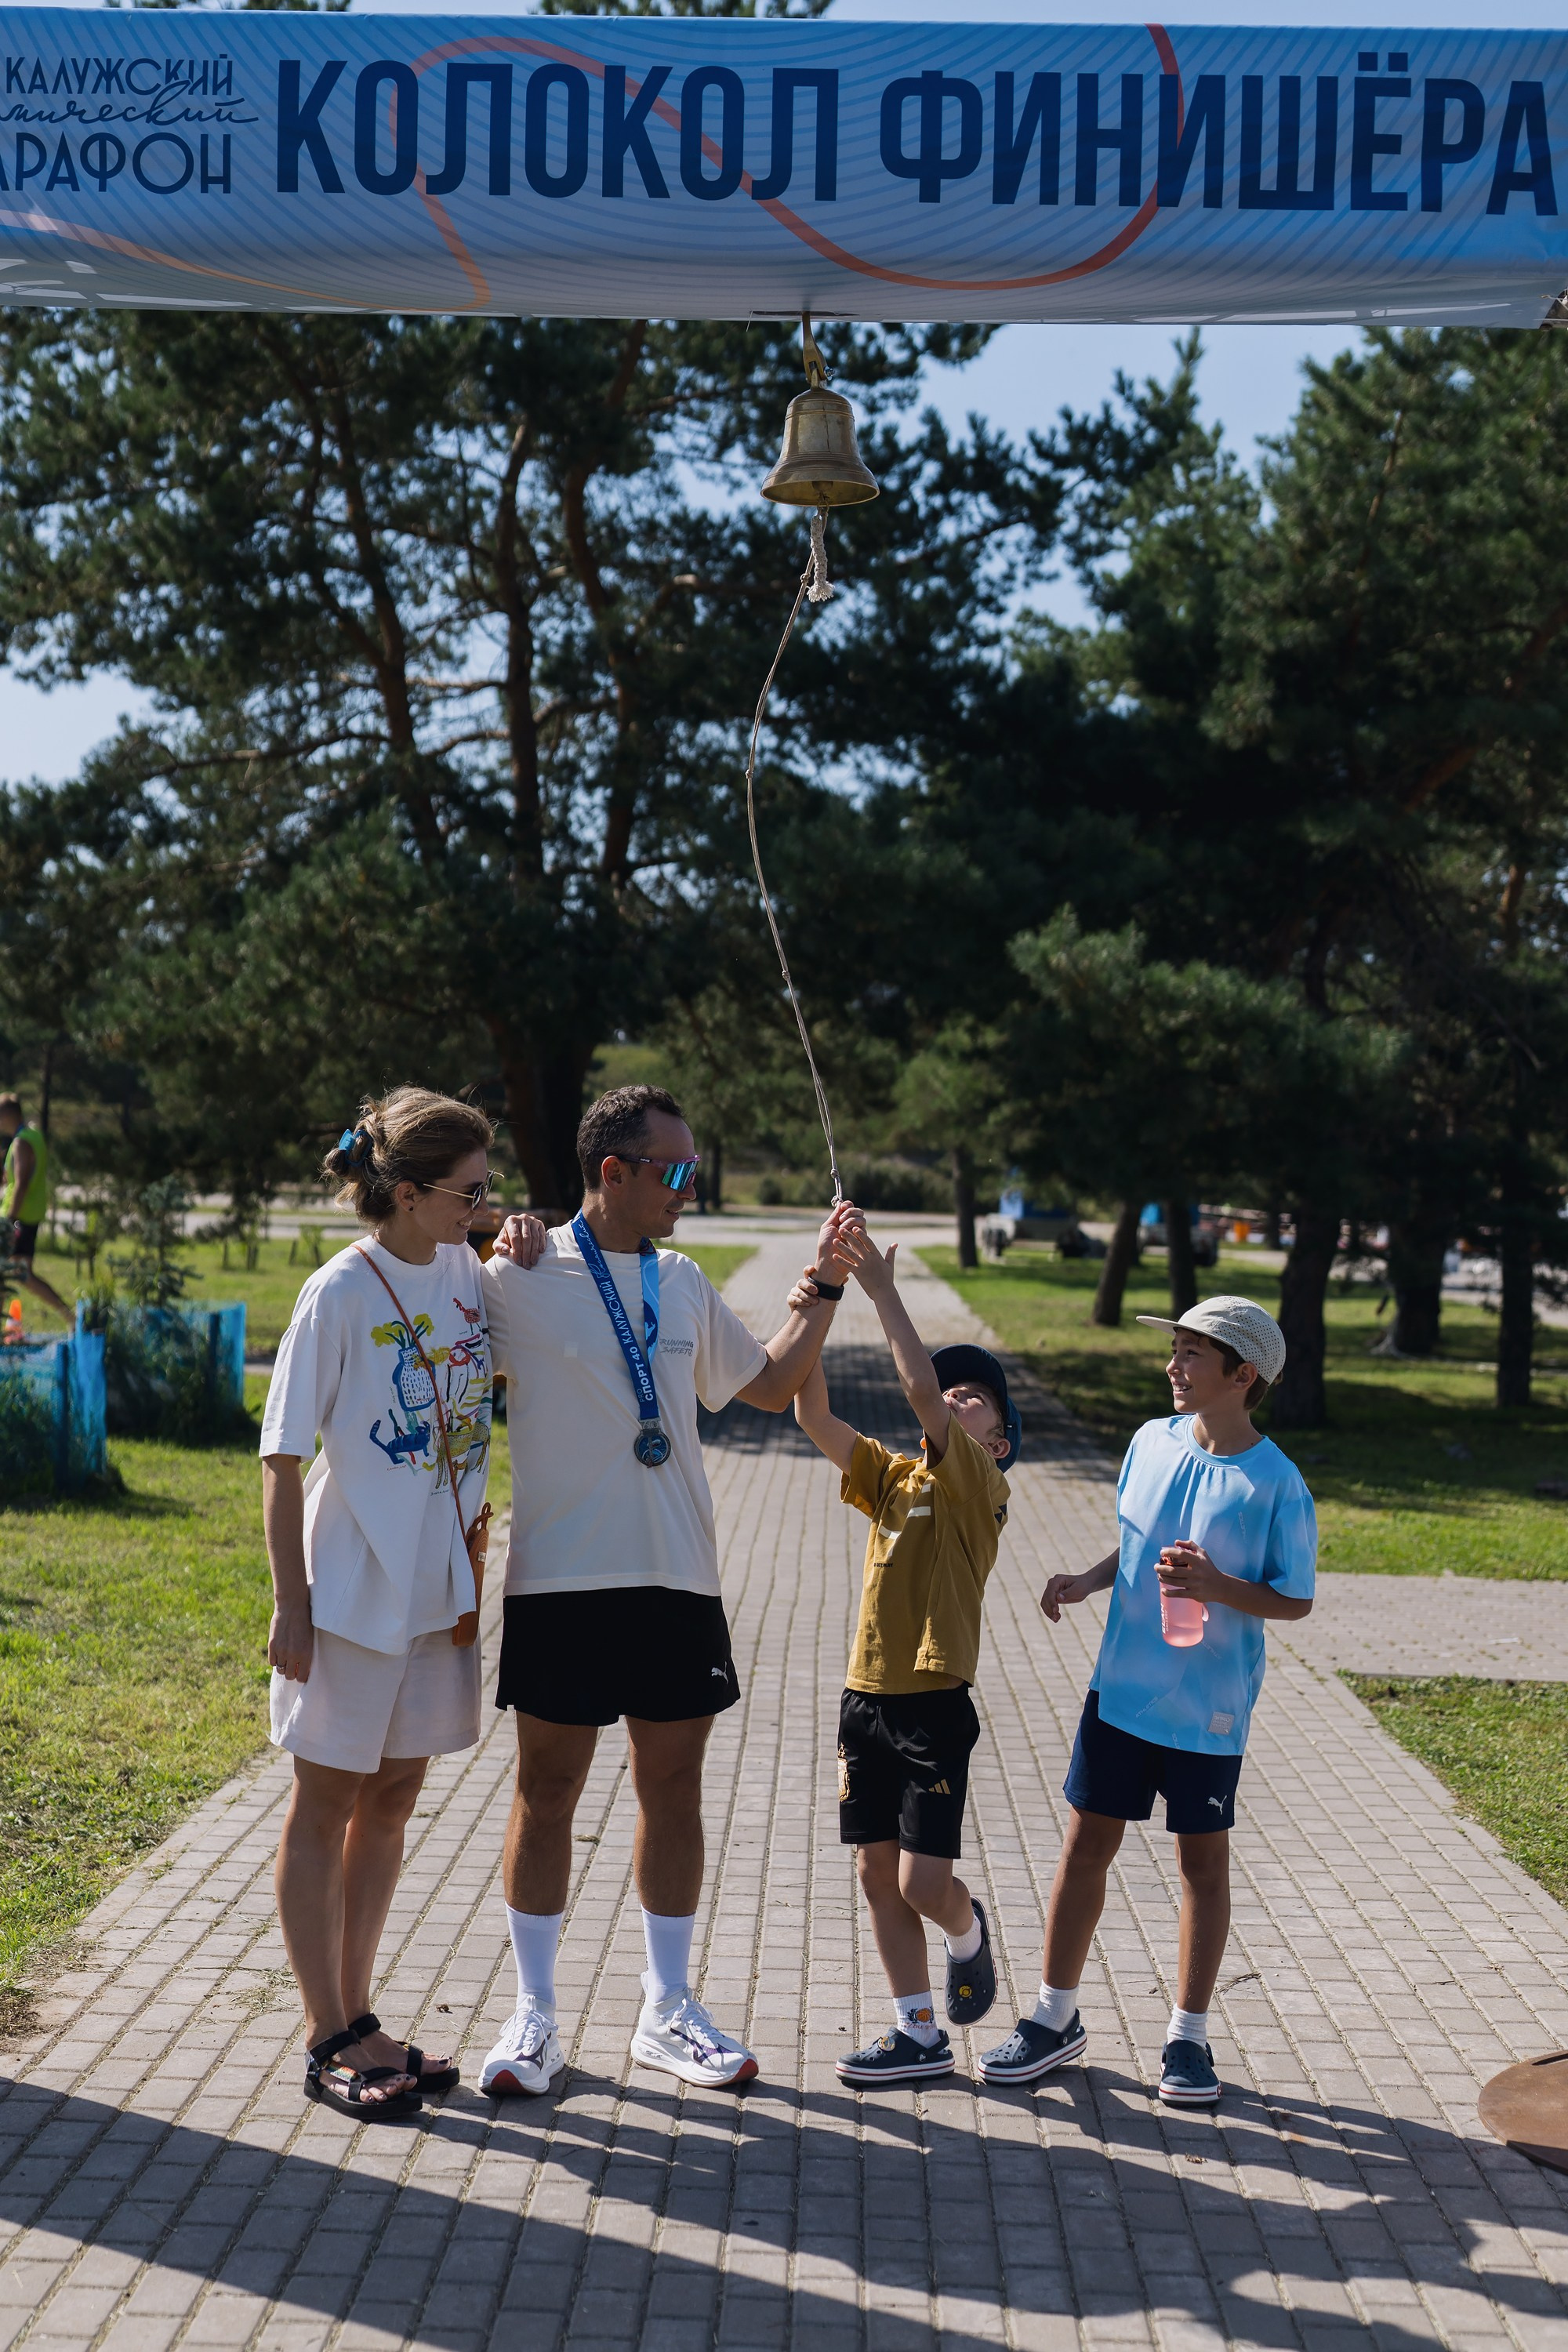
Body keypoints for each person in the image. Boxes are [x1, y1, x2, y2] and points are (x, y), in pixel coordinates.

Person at [479, 1084, 857, 2099]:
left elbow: (769, 1389)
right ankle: (536, 2018)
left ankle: (667, 2008)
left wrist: (820, 1287)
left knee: (672, 1789)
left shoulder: (682, 1280)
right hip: (560, 1579)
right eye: (678, 1172)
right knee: (546, 1793)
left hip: (677, 1578)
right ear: (615, 1172)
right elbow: (424, 1258)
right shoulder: (514, 1276)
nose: (691, 1189)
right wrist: (486, 1221)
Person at [978, 1296, 1316, 2108]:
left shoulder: (1274, 1482)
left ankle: (1187, 2039)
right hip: (1120, 1695)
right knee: (1083, 1848)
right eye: (1174, 1350)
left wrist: (1216, 1587)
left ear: (1242, 1376)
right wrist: (1086, 1582)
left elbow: (1294, 1599)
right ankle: (1053, 2019)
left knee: (1200, 1866)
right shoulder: (1147, 1441)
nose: (1172, 1365)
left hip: (1207, 1712)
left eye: (1192, 1354)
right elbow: (1135, 1540)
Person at [261, 1087, 515, 2122]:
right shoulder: (339, 1291)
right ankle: (327, 2034)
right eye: (469, 1192)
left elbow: (512, 1270)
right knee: (324, 1803)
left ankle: (361, 2012)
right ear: (409, 1194)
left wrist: (520, 1236)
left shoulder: (464, 1268)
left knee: (395, 1795)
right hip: (351, 1593)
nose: (485, 1205)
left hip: (439, 1587)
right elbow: (280, 1459)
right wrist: (291, 1605)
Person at [789, 1230, 1019, 2085]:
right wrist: (816, 1303)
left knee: (926, 1886)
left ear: (996, 1441)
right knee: (874, 1875)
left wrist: (880, 1287)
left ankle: (967, 1934)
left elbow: (918, 1386)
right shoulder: (893, 1477)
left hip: (930, 1706)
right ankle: (916, 2033)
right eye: (953, 1390)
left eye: (975, 1399)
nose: (956, 1400)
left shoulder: (977, 1489)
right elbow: (809, 1414)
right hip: (864, 1699)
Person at [0, 1094, 69, 1321]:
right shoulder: (33, 1137)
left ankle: (69, 1316)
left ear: (6, 1116)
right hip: (30, 1215)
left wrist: (9, 1222)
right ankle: (70, 1316)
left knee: (17, 1274)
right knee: (22, 1275)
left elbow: (21, 1184)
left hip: (17, 1217)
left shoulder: (20, 1142)